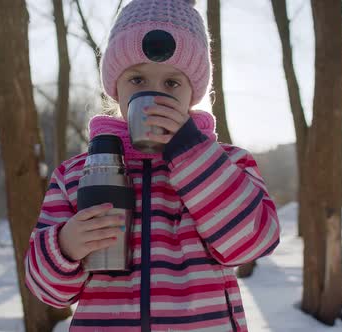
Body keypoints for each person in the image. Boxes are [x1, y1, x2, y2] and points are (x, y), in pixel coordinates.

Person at [24, 0, 280, 330]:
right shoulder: (76, 174)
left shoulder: (226, 163)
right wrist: (65, 246)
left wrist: (191, 152)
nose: (154, 94)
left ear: (193, 93)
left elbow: (254, 242)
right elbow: (46, 290)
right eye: (138, 79)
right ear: (116, 88)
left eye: (171, 83)